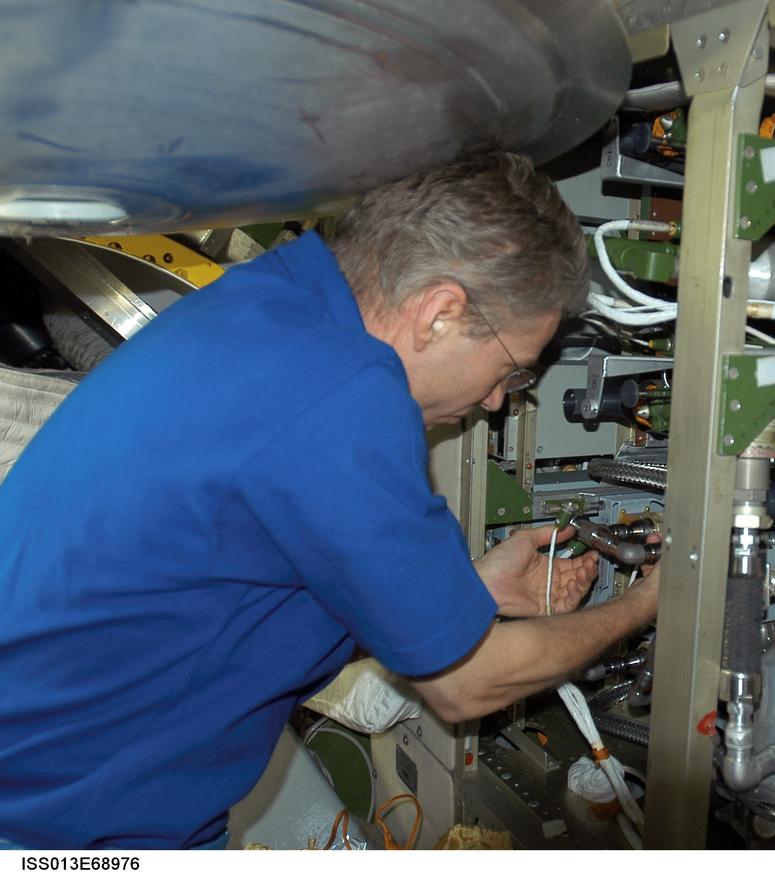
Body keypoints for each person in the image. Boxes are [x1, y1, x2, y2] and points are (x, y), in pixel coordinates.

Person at [0, 152, 660, 849]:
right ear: (439, 313)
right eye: (510, 369)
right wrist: (651, 603)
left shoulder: (275, 302)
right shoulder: (344, 401)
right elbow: (468, 686)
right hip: (62, 836)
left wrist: (470, 593)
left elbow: (231, 582)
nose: (496, 400)